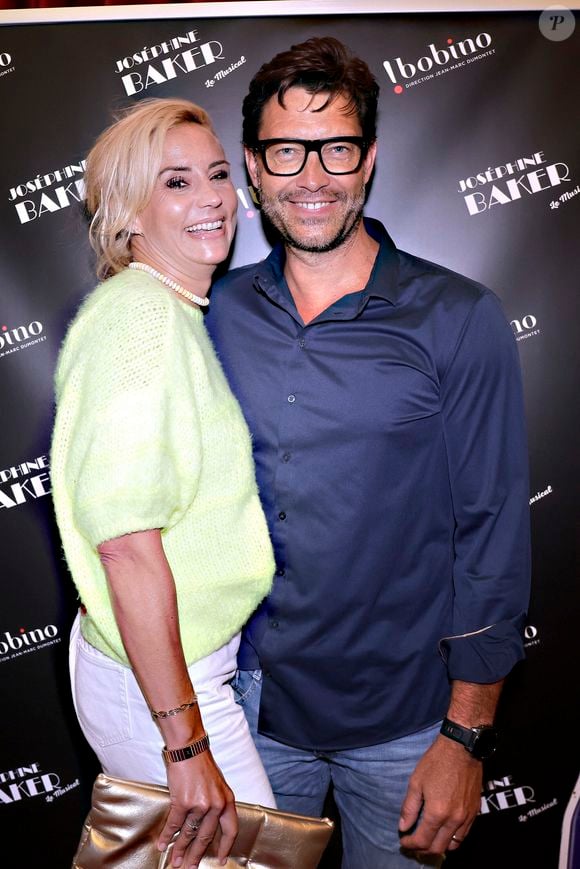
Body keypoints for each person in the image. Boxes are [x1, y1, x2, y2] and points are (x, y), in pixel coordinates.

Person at [206, 37, 531, 868]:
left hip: (408, 724)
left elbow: (493, 534)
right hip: (246, 715)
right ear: (254, 167)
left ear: (370, 159)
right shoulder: (212, 314)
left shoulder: (458, 317)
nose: (312, 176)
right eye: (286, 151)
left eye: (337, 148)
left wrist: (466, 735)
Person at [50, 98, 276, 869]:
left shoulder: (163, 313)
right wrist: (184, 743)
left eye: (215, 174)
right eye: (176, 182)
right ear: (128, 214)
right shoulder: (142, 321)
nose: (212, 197)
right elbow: (124, 544)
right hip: (163, 684)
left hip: (163, 667)